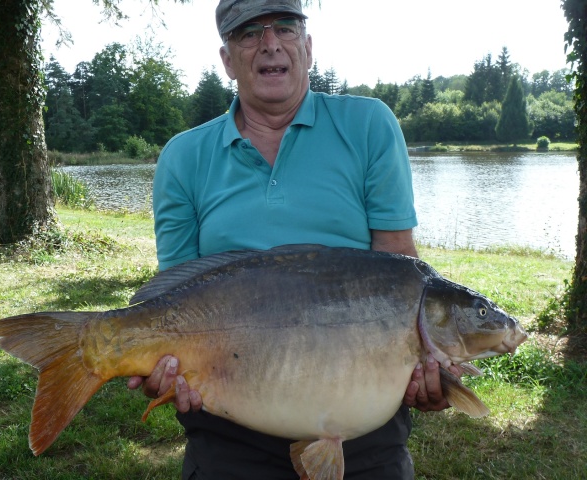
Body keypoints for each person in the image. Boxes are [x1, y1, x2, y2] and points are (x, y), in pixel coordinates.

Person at [127, 0, 461, 478]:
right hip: (228, 425)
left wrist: (425, 370)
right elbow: (173, 296)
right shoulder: (183, 157)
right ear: (226, 59)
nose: (270, 43)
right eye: (249, 33)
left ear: (307, 46)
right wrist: (163, 363)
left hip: (361, 423)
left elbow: (399, 275)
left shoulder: (369, 126)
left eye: (285, 27)